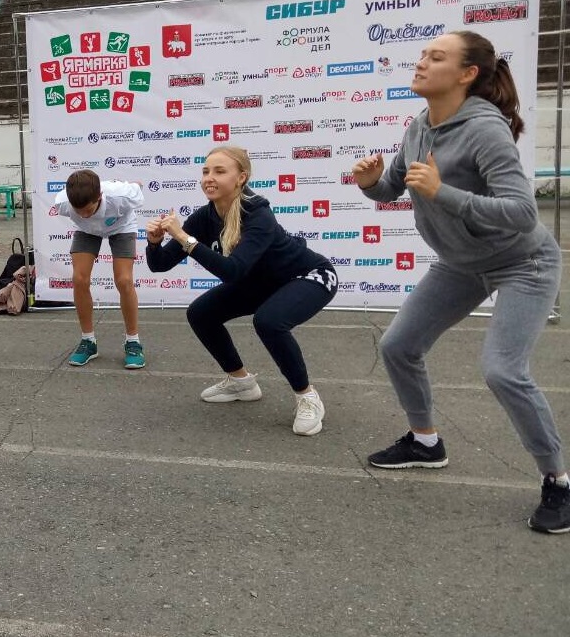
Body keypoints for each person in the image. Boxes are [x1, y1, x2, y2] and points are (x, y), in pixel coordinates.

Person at [352, 30, 568, 534]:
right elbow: (394, 187)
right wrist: (370, 183)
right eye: (423, 54)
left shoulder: (485, 130)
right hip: (461, 262)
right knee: (398, 346)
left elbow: (522, 213)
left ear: (467, 74)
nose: (422, 62)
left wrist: (443, 193)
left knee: (503, 370)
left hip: (523, 261)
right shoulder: (420, 124)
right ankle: (425, 442)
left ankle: (558, 480)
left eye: (436, 57)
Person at [145, 145, 337, 436]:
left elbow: (232, 271)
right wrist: (154, 242)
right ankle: (241, 382)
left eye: (219, 171)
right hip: (262, 283)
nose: (209, 177)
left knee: (269, 321)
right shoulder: (205, 216)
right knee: (201, 313)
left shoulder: (258, 214)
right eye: (205, 171)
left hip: (309, 276)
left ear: (241, 178)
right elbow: (159, 265)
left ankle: (307, 396)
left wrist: (185, 239)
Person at [52, 170, 146, 369]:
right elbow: (81, 214)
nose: (84, 215)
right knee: (79, 279)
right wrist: (84, 217)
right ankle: (88, 341)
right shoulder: (62, 203)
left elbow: (138, 186)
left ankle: (133, 342)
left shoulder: (122, 196)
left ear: (100, 196)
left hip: (121, 226)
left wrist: (135, 184)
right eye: (79, 211)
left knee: (124, 280)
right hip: (87, 231)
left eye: (88, 210)